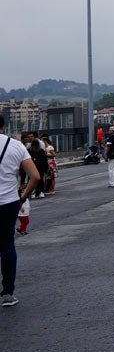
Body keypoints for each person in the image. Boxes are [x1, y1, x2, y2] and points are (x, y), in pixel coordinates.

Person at [1, 114, 44, 306]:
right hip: (9, 202)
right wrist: (23, 197)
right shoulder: (16, 145)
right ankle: (7, 293)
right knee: (7, 245)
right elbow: (35, 176)